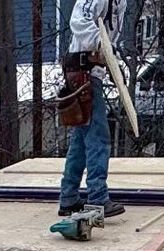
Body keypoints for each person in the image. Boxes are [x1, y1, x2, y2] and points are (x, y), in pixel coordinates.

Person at [58, 0, 124, 218]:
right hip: (82, 70)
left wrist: (111, 60)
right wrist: (100, 44)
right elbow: (79, 20)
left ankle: (68, 198)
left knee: (80, 140)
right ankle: (97, 198)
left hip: (91, 70)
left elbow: (109, 39)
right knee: (99, 136)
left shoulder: (120, 3)